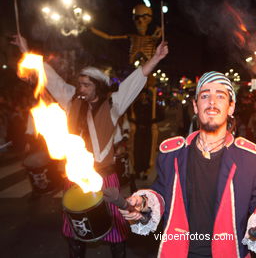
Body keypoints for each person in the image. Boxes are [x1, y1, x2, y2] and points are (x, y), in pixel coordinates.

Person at [12, 34, 168, 258]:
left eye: (86, 85)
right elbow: (49, 78)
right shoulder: (71, 100)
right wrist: (27, 51)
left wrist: (156, 58)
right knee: (75, 230)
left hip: (104, 177)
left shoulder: (113, 104)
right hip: (74, 179)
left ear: (98, 87)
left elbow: (136, 80)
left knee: (115, 231)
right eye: (80, 84)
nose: (81, 88)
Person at [120, 71, 256, 258]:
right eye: (205, 95)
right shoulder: (172, 153)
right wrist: (144, 203)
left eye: (220, 96)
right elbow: (161, 194)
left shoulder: (250, 158)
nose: (212, 101)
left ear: (231, 107)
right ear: (195, 106)